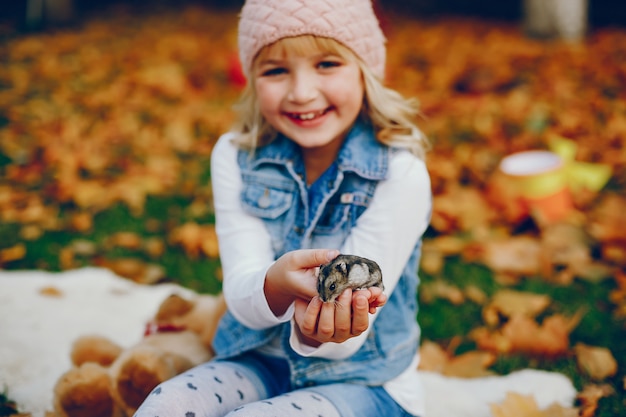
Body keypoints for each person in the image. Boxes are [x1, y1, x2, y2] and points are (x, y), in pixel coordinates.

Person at [133, 0, 431, 415]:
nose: (302, 92)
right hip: (258, 361)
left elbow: (351, 338)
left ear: (365, 70)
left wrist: (312, 333)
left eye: (327, 64)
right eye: (275, 70)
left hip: (363, 382)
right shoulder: (236, 156)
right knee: (165, 405)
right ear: (253, 80)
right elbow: (240, 293)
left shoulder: (399, 173)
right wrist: (275, 282)